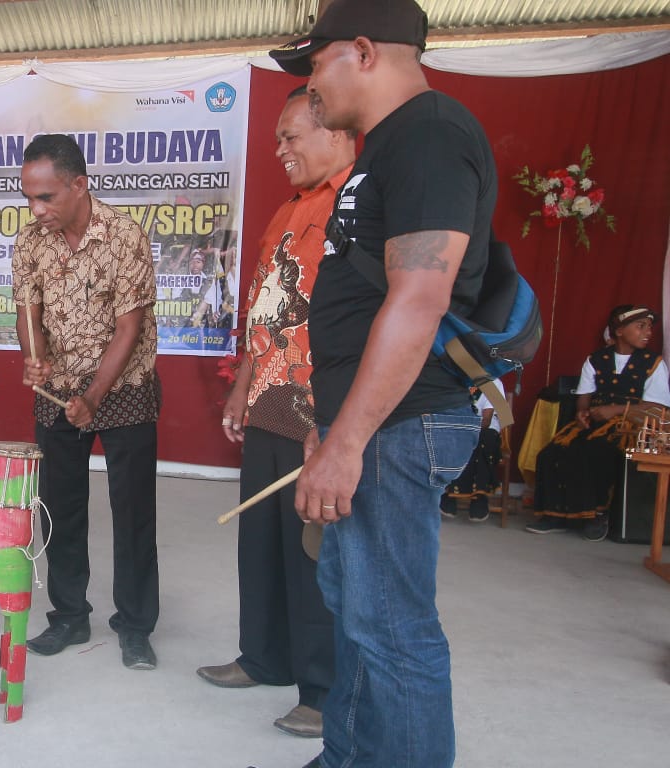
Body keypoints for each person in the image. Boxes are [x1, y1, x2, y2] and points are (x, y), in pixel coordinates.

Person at [269, 0, 496, 764]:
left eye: (314, 65)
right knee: (357, 613)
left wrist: (351, 436)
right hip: (366, 424)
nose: (308, 86)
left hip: (400, 426)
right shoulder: (387, 145)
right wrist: (330, 419)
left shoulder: (430, 135)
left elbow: (419, 297)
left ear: (362, 50)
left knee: (394, 628)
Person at [196, 85, 355, 739]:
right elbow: (267, 308)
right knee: (260, 543)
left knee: (313, 552)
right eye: (278, 140)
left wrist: (340, 426)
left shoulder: (357, 204)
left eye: (291, 136)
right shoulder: (289, 208)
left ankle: (322, 690)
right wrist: (241, 386)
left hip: (321, 410)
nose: (281, 150)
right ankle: (264, 657)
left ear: (336, 130)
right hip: (269, 403)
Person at [13, 134, 162, 671]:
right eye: (29, 196)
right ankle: (70, 617)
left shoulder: (125, 237)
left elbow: (129, 327)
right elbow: (27, 316)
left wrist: (93, 398)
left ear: (80, 185)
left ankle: (136, 625)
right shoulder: (30, 241)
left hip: (123, 390)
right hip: (57, 392)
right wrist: (35, 356)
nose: (37, 209)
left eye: (47, 197)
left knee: (132, 512)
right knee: (60, 510)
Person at [527, 306, 669, 541]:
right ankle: (554, 515)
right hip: (595, 422)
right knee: (551, 453)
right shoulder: (596, 359)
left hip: (630, 427)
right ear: (620, 330)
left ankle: (596, 515)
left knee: (596, 450)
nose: (648, 332)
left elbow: (658, 410)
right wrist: (582, 413)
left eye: (649, 327)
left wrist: (616, 410)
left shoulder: (654, 363)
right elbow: (584, 397)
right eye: (640, 326)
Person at [441, 379, 506, 523]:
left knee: (481, 440)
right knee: (449, 437)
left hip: (486, 431)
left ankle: (479, 497)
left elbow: (486, 420)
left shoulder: (494, 382)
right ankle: (450, 494)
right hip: (458, 427)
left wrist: (464, 428)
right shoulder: (456, 377)